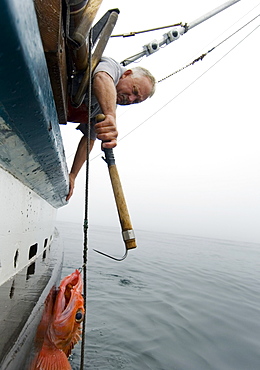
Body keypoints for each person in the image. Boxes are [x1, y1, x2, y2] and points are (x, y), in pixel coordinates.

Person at [66, 56, 156, 201]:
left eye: (136, 101)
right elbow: (102, 77)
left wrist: (72, 175)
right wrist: (110, 115)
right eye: (134, 91)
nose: (131, 99)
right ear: (126, 74)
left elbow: (89, 139)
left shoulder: (106, 107)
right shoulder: (112, 67)